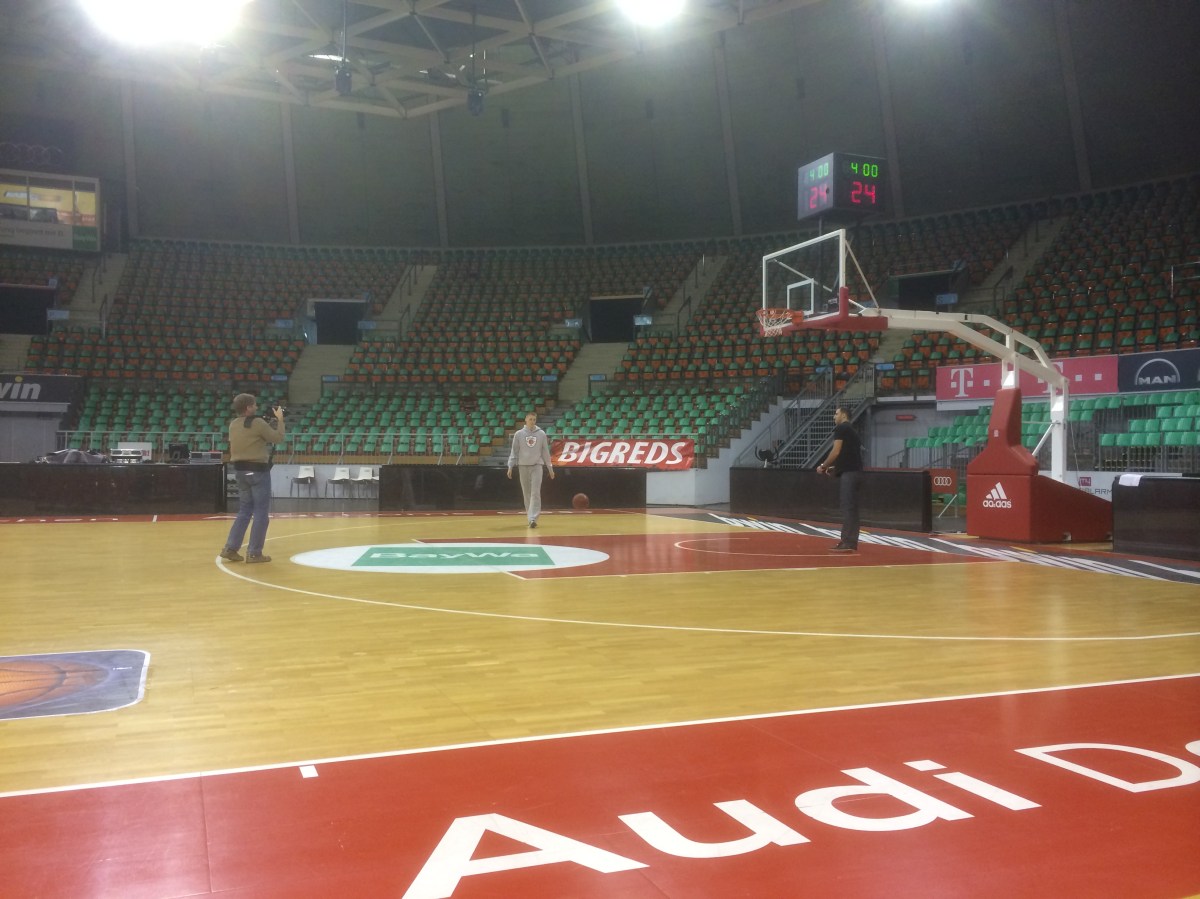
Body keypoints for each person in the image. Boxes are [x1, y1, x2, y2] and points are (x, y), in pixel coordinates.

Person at [219, 394, 285, 563]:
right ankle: (254, 552)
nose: (256, 407)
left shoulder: (234, 424)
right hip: (257, 471)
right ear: (248, 407)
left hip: (240, 471)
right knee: (261, 512)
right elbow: (278, 438)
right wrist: (280, 420)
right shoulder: (258, 423)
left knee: (244, 510)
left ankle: (230, 548)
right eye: (254, 405)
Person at [817, 405, 863, 553]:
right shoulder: (852, 431)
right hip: (856, 473)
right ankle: (851, 541)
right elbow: (849, 456)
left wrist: (823, 465)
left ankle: (847, 542)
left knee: (847, 507)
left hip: (849, 475)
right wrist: (835, 468)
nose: (834, 416)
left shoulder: (841, 428)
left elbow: (836, 451)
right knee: (853, 509)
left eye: (836, 414)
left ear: (843, 415)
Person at [507, 411, 555, 528]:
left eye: (534, 419)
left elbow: (545, 451)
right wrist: (510, 466)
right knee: (526, 493)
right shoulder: (518, 434)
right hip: (523, 466)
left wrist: (550, 468)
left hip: (537, 465)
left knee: (535, 492)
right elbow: (514, 451)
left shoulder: (541, 434)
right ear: (526, 420)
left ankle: (533, 518)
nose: (532, 421)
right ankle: (530, 517)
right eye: (530, 419)